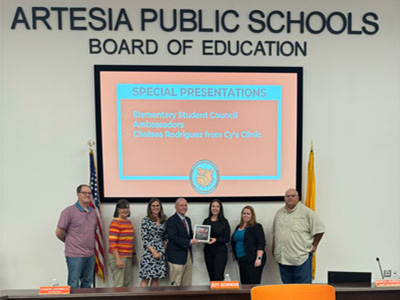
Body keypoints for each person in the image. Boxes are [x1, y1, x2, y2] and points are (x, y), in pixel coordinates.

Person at [272, 188, 325, 284]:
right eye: (287, 196)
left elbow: (320, 230)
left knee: (303, 291)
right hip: (283, 259)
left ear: (298, 198)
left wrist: (314, 246)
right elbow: (275, 233)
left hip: (301, 259)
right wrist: (274, 249)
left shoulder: (307, 212)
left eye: (293, 196)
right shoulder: (279, 213)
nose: (290, 198)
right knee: (288, 291)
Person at [56, 184, 97, 288]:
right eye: (84, 193)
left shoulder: (93, 213)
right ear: (78, 194)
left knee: (87, 283)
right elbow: (59, 232)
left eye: (89, 193)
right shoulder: (68, 212)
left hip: (90, 255)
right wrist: (69, 241)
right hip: (74, 255)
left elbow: (93, 231)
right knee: (74, 284)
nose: (87, 195)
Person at [166, 197, 199, 286]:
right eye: (181, 205)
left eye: (185, 205)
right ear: (176, 207)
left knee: (187, 284)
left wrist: (198, 235)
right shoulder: (171, 220)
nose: (184, 207)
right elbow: (173, 238)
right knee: (176, 284)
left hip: (187, 255)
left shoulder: (188, 219)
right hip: (176, 257)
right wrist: (189, 242)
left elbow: (188, 236)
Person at [231, 205, 266, 284]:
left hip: (252, 259)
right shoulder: (238, 227)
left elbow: (261, 243)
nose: (245, 215)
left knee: (252, 283)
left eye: (248, 214)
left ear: (252, 215)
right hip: (241, 259)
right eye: (244, 213)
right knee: (244, 283)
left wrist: (259, 258)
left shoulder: (256, 227)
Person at [139, 198, 168, 287]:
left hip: (160, 252)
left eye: (157, 205)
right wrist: (154, 252)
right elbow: (145, 238)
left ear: (160, 207)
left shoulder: (164, 220)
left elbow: (166, 238)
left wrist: (162, 252)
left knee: (156, 278)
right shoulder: (145, 220)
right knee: (145, 278)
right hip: (149, 252)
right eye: (153, 206)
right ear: (150, 208)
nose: (156, 207)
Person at [107, 199, 136, 287]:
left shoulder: (128, 222)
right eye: (123, 208)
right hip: (118, 257)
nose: (125, 210)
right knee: (119, 285)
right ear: (117, 210)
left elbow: (130, 240)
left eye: (127, 208)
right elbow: (112, 242)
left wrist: (133, 254)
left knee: (126, 284)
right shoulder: (115, 222)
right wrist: (118, 259)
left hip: (128, 256)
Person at [202, 199, 231, 281]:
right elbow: (203, 235)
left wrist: (216, 239)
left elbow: (227, 238)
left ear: (220, 209)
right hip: (208, 251)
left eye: (217, 206)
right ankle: (213, 294)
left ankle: (220, 294)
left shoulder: (224, 222)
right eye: (213, 206)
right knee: (211, 277)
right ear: (210, 208)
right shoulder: (206, 221)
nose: (215, 208)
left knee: (218, 276)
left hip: (220, 252)